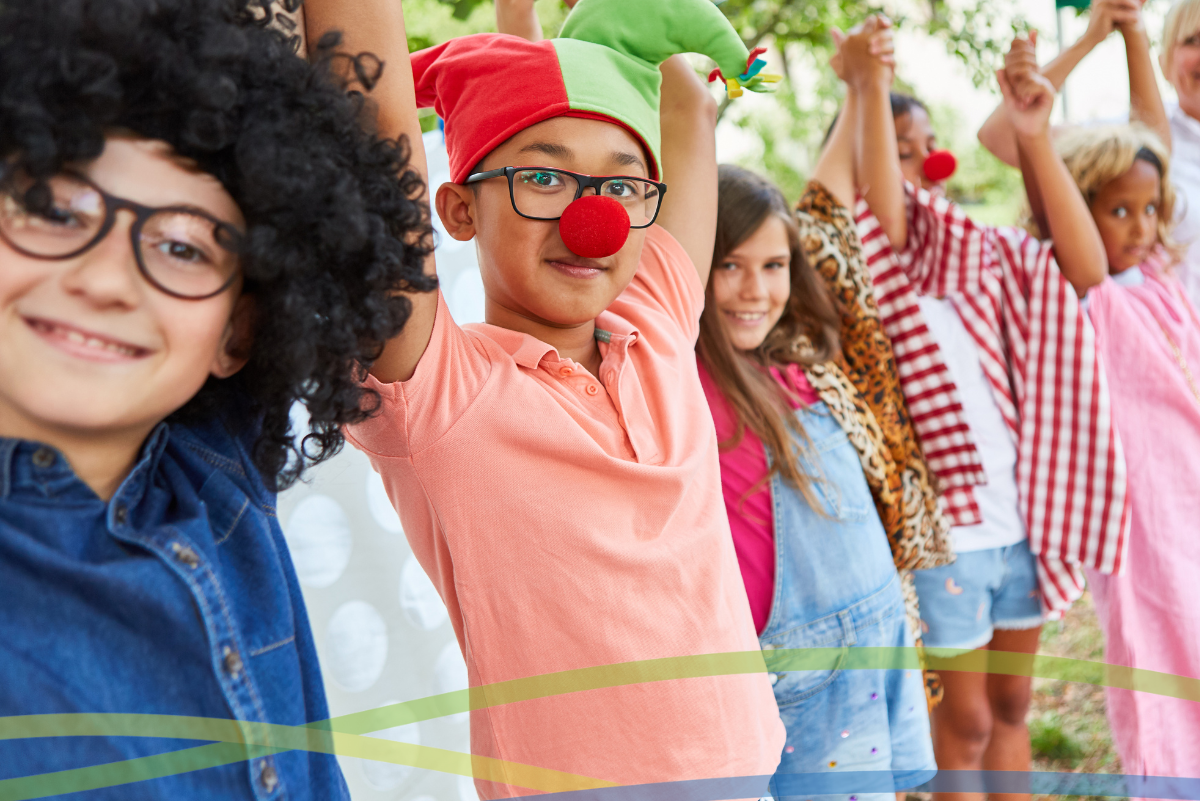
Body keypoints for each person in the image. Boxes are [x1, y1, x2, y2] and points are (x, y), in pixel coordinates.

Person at [319, 0, 787, 797]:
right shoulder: (437, 389)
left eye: (620, 182)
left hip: (745, 764)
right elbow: (372, 134)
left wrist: (642, 44)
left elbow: (688, 105)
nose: (593, 216)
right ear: (460, 208)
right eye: (542, 176)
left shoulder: (660, 325)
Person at [0, 0, 433, 798]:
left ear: (240, 332)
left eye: (180, 247)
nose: (102, 279)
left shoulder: (212, 462)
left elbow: (374, 245)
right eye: (56, 210)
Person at [848, 32, 1129, 801]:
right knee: (964, 719)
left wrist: (1033, 135)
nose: (926, 163)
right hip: (949, 539)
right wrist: (869, 89)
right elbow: (886, 211)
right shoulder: (877, 268)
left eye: (931, 145)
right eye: (904, 150)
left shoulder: (981, 260)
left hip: (1022, 523)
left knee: (1010, 707)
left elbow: (1085, 266)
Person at [695, 20, 944, 801]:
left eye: (772, 265)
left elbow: (828, 211)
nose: (754, 288)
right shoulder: (677, 372)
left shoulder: (807, 360)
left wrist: (857, 86)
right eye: (726, 264)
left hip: (875, 643)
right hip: (784, 669)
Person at [1003, 40, 1200, 788]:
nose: (1142, 226)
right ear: (1075, 213)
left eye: (1150, 209)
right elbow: (1075, 243)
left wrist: (1132, 41)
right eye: (1119, 211)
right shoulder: (1089, 296)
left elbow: (1151, 134)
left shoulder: (1153, 278)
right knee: (1155, 641)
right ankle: (1166, 775)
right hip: (1140, 515)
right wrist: (1034, 134)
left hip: (1190, 495)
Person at [1157, 0, 1200, 307]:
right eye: (1192, 40)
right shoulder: (1136, 133)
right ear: (1164, 64)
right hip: (1180, 349)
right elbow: (1000, 137)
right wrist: (1089, 39)